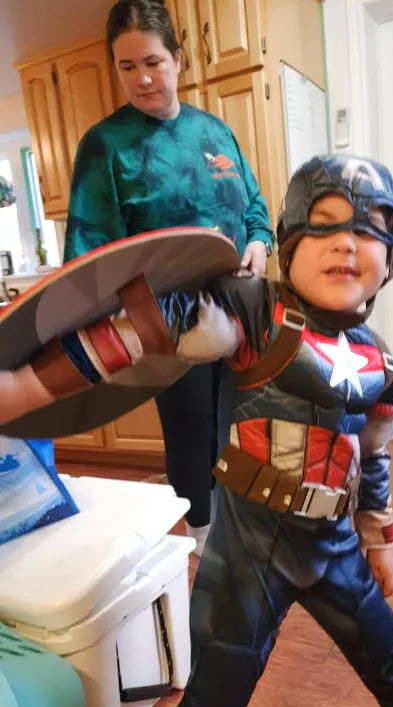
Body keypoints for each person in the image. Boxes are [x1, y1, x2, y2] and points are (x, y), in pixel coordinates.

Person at [0, 154, 393, 707]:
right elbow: (148, 327)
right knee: (214, 701)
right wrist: (23, 391)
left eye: (371, 228)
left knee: (383, 645)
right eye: (325, 224)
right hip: (248, 556)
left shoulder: (384, 364)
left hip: (334, 547)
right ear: (288, 241)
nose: (348, 239)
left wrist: (382, 536)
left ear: (392, 258)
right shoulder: (251, 315)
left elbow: (374, 457)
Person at [64, 0, 273, 553]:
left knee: (238, 425)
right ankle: (204, 544)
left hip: (239, 310)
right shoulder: (105, 146)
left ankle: (238, 527)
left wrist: (259, 241)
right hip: (165, 320)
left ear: (179, 59)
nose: (142, 78)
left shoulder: (214, 131)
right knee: (190, 428)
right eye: (126, 66)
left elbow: (254, 204)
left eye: (153, 61)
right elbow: (88, 254)